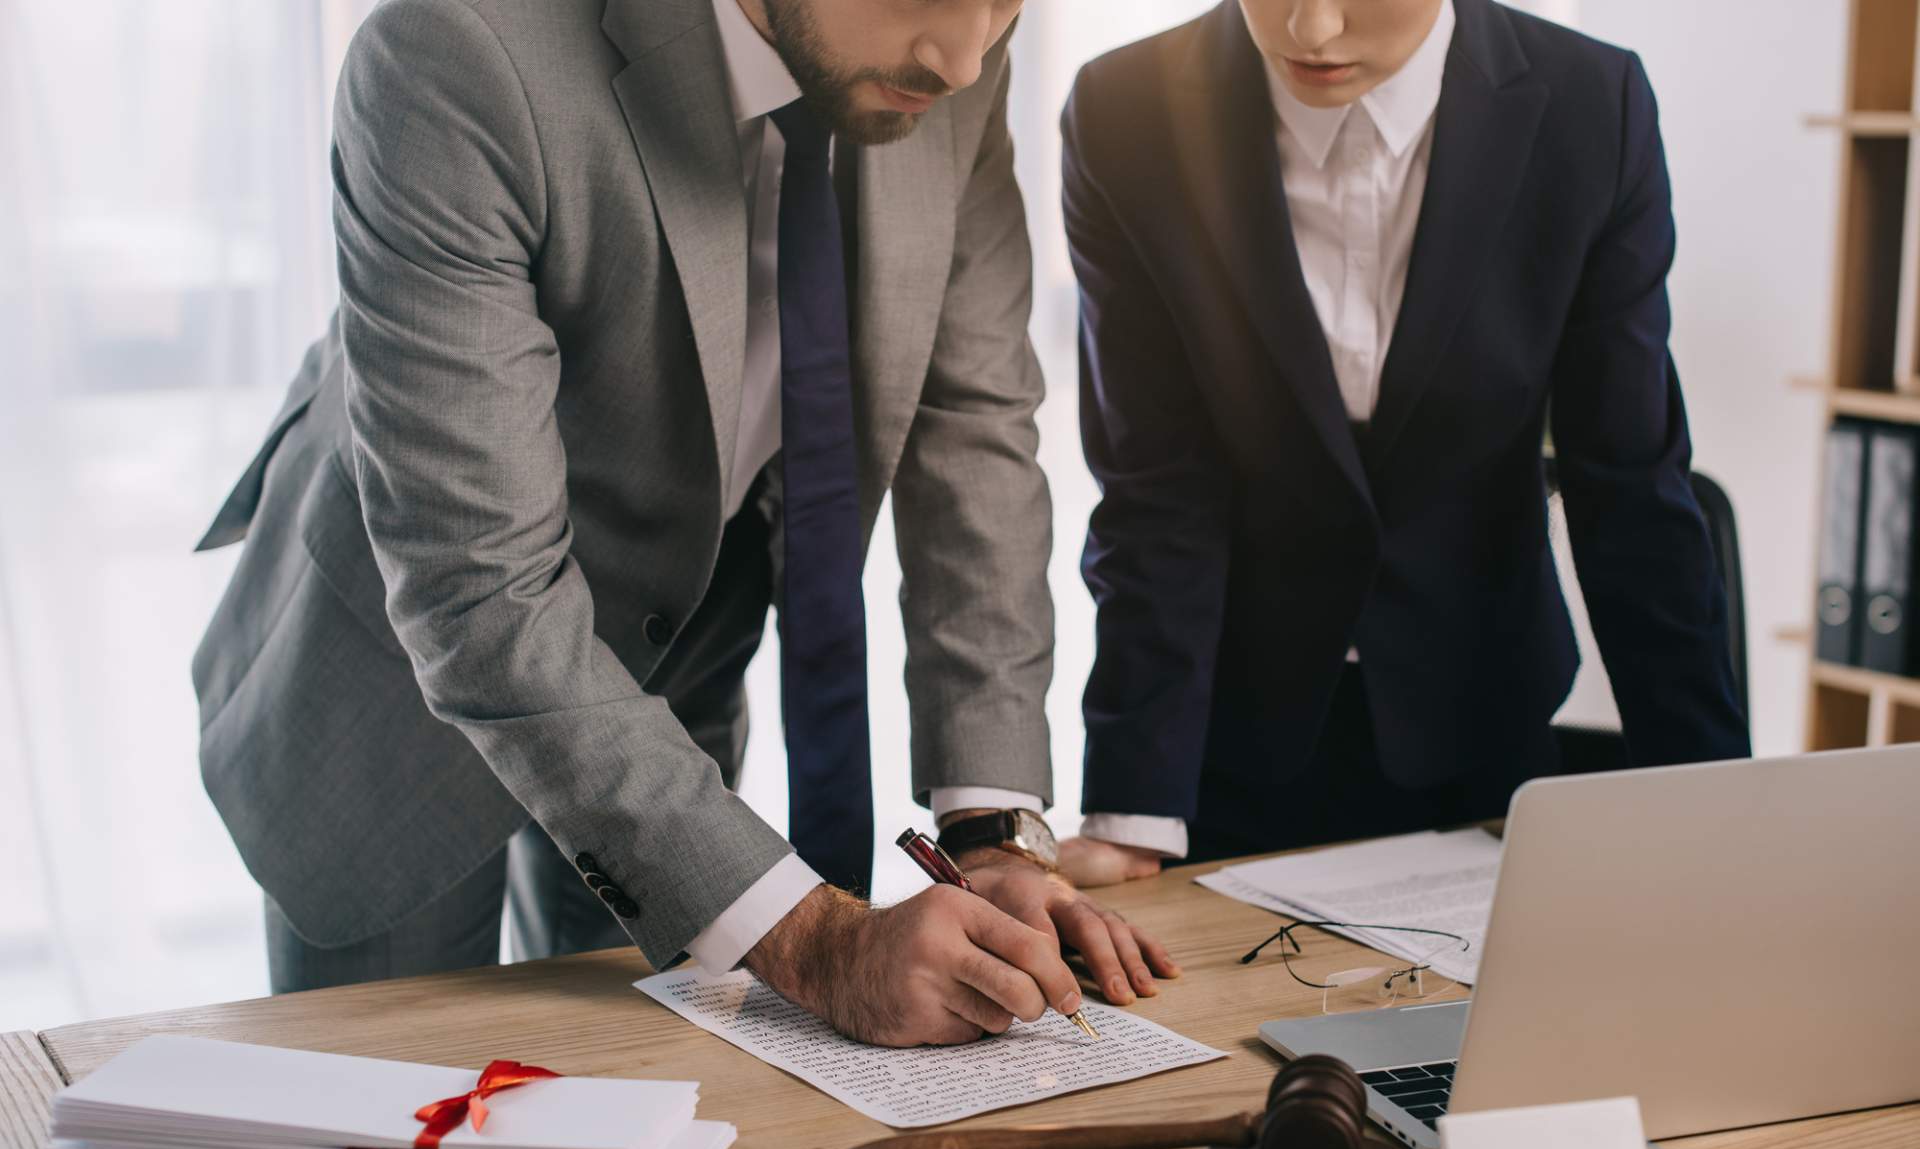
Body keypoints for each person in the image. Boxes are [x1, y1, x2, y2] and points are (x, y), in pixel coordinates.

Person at [191, 0, 1176, 1043]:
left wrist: (993, 835)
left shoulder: (947, 46)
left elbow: (971, 420)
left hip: (674, 669)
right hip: (399, 690)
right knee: (392, 1144)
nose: (966, 56)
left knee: (644, 1112)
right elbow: (477, 590)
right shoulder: (456, 50)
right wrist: (824, 942)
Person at [1055, 0, 1750, 885]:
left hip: (1484, 732)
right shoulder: (1126, 110)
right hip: (1224, 742)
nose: (1310, 30)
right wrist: (1131, 806)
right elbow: (1155, 489)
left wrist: (1722, 810)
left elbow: (1630, 487)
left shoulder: (1590, 105)